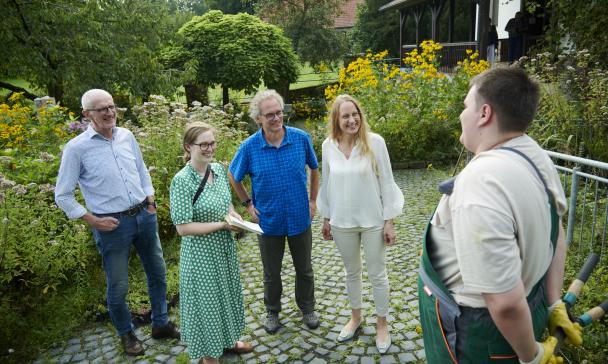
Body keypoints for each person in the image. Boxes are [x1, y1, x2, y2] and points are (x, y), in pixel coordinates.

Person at [418, 68, 583, 364]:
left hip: (482, 335)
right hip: (525, 313)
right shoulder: (536, 155)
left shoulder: (480, 184)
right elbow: (554, 232)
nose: (461, 115)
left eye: (465, 106)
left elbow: (505, 304)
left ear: (484, 113)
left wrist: (531, 356)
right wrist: (553, 301)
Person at [55, 89, 179, 356]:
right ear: (87, 114)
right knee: (118, 285)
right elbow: (62, 195)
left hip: (144, 216)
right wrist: (92, 220)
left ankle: (161, 323)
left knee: (157, 273)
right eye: (102, 109)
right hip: (112, 227)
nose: (110, 113)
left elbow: (141, 168)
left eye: (112, 107)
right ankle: (127, 335)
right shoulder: (76, 148)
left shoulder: (126, 136)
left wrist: (151, 200)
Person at [316, 95, 404, 354]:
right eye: (345, 116)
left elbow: (387, 182)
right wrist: (326, 217)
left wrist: (389, 221)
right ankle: (356, 317)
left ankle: (382, 323)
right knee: (351, 272)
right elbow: (328, 182)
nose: (352, 120)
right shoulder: (328, 145)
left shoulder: (375, 142)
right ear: (336, 120)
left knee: (378, 274)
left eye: (355, 114)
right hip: (342, 222)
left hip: (373, 221)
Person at [228, 89, 320, 334]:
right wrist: (248, 203)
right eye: (270, 115)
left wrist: (313, 202)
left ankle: (308, 308)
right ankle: (272, 312)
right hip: (268, 219)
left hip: (300, 215)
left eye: (279, 113)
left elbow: (314, 168)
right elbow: (233, 175)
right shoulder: (249, 147)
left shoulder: (301, 138)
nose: (276, 118)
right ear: (258, 118)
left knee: (305, 268)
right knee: (271, 272)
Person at [169, 122, 253, 364]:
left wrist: (233, 215)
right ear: (188, 146)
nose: (209, 148)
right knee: (206, 304)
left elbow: (225, 203)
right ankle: (209, 356)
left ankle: (228, 340)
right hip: (201, 254)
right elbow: (183, 228)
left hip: (223, 249)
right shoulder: (182, 181)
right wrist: (223, 225)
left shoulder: (216, 168)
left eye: (212, 143)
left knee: (225, 295)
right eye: (203, 144)